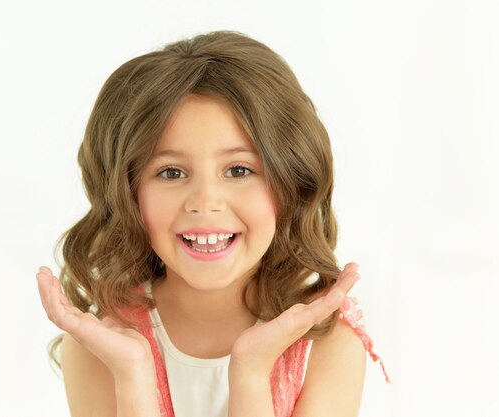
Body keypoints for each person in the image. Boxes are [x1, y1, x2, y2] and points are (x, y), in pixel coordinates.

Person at [35, 30, 389, 417]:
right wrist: (133, 378)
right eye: (171, 172)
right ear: (126, 194)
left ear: (291, 183)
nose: (205, 202)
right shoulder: (104, 345)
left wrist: (252, 373)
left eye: (238, 170)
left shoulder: (326, 343)